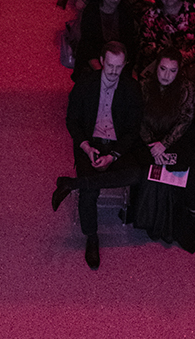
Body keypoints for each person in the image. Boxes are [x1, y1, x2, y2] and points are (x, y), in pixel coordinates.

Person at [55, 41, 145, 269]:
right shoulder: (85, 84)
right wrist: (86, 147)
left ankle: (72, 184)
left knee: (137, 173)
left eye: (119, 67)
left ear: (125, 64)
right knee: (89, 192)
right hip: (90, 144)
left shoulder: (131, 88)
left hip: (116, 145)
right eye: (110, 66)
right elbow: (72, 120)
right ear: (102, 61)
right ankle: (91, 237)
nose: (114, 72)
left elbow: (133, 130)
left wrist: (113, 155)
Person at [127, 49, 195, 252]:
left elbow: (185, 119)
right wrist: (152, 144)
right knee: (146, 164)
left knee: (177, 165)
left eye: (172, 70)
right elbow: (138, 118)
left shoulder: (187, 88)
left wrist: (164, 145)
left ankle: (171, 223)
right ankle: (149, 218)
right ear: (156, 67)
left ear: (179, 71)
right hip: (148, 140)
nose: (166, 75)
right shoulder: (144, 85)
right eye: (163, 69)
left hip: (174, 139)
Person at [71, 0, 140, 79]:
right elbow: (87, 46)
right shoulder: (91, 11)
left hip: (118, 61)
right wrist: (101, 71)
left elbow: (129, 44)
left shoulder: (125, 12)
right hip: (94, 60)